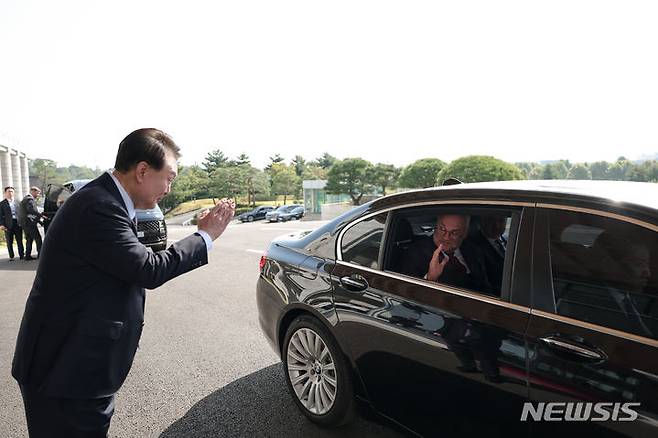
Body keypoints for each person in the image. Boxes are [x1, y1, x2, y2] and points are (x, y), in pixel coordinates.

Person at [12, 128, 235, 437]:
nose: (169, 189)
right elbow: (148, 269)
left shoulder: (105, 200)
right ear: (142, 171)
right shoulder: (99, 206)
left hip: (72, 368)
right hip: (65, 375)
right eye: (169, 177)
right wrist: (205, 236)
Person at [398, 213, 492, 293]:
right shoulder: (416, 253)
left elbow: (485, 286)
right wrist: (430, 278)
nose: (446, 237)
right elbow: (407, 294)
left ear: (464, 234)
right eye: (442, 229)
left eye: (454, 233)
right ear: (435, 227)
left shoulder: (473, 249)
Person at [471, 214, 508, 295]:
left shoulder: (507, 239)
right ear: (481, 221)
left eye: (501, 220)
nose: (497, 226)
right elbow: (483, 285)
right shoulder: (473, 247)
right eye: (491, 220)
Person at [18, 187, 43, 260]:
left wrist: (39, 221)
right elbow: (31, 210)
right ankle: (40, 255)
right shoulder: (30, 199)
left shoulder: (25, 199)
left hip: (25, 223)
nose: (38, 195)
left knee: (29, 239)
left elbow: (28, 212)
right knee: (38, 239)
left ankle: (27, 255)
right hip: (29, 223)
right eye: (38, 193)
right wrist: (40, 215)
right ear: (33, 191)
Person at [0, 186, 25, 261]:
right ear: (5, 193)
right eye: (9, 191)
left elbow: (22, 212)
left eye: (12, 191)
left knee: (19, 240)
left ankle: (21, 255)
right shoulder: (2, 203)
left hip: (17, 223)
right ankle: (11, 256)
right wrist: (1, 225)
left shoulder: (18, 202)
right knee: (9, 241)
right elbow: (0, 215)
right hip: (8, 224)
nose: (10, 193)